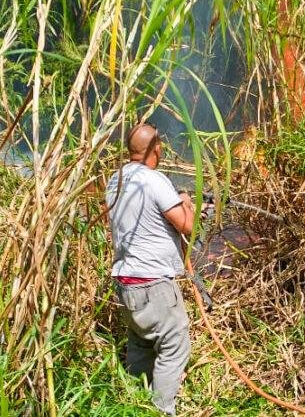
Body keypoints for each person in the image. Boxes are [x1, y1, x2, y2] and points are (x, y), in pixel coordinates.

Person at [105, 123, 195, 415]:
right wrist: (186, 202)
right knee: (174, 344)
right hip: (153, 282)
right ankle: (162, 410)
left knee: (141, 342)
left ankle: (134, 404)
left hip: (124, 282)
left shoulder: (114, 180)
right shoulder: (154, 180)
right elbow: (188, 225)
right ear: (157, 148)